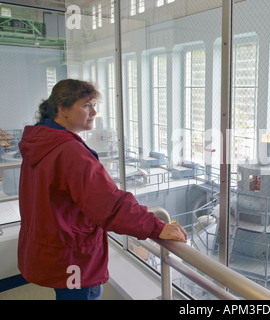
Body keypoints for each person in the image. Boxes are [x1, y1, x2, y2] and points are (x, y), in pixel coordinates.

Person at [18, 79, 187, 300]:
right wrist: (154, 226)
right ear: (62, 109)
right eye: (86, 105)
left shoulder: (41, 140)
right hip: (74, 256)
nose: (94, 112)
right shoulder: (69, 151)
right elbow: (107, 203)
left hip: (56, 250)